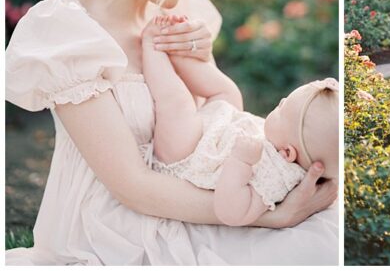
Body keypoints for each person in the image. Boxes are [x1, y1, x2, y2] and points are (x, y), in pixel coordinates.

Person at [4, 0, 337, 265]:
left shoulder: (179, 4)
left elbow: (219, 112)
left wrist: (203, 60)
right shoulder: (67, 35)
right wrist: (267, 215)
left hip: (201, 189)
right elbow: (132, 185)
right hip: (116, 222)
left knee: (326, 232)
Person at [141, 15, 339, 227]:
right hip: (215, 137)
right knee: (229, 92)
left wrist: (240, 162)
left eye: (283, 109)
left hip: (190, 157)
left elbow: (232, 213)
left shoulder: (277, 178)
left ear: (288, 153)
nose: (280, 101)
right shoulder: (285, 148)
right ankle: (177, 51)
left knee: (178, 104)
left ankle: (154, 46)